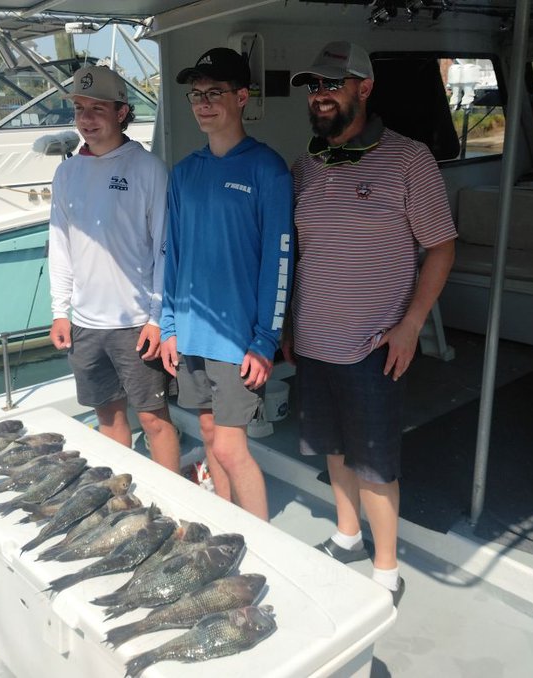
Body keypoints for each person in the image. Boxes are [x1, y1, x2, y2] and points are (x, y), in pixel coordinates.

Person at [285, 41, 457, 604]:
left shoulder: (409, 159)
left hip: (373, 344)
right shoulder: (306, 166)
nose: (321, 95)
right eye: (314, 86)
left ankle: (386, 571)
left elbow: (441, 247)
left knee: (376, 464)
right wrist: (287, 325)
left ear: (365, 87)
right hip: (314, 338)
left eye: (333, 84)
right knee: (334, 449)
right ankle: (347, 535)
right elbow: (298, 254)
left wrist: (411, 325)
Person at [160, 48, 294, 520]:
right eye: (197, 94)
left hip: (238, 340)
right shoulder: (184, 172)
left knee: (232, 448)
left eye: (215, 92)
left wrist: (265, 340)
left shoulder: (268, 169)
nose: (203, 103)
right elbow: (173, 256)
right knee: (209, 435)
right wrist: (169, 325)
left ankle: (261, 541)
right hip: (190, 334)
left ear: (241, 97)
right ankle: (223, 523)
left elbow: (280, 262)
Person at [48, 65, 180, 473]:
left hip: (136, 323)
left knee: (155, 421)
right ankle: (123, 494)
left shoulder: (148, 168)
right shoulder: (66, 172)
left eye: (97, 109)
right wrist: (60, 311)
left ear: (122, 112)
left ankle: (173, 500)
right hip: (85, 325)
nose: (86, 119)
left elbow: (165, 249)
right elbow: (60, 245)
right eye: (79, 109)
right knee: (108, 417)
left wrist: (157, 319)